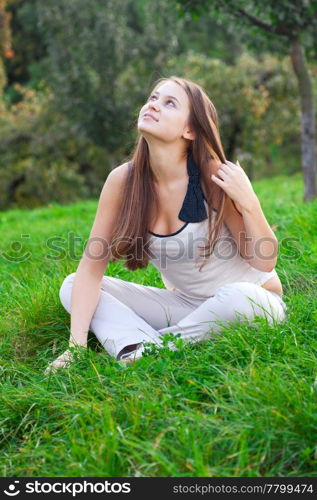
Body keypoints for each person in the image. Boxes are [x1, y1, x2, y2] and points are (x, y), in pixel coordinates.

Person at [44, 76, 287, 374]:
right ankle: (141, 348)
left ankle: (150, 350)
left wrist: (249, 202)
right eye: (153, 98)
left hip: (253, 302)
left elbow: (264, 262)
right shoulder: (123, 181)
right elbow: (92, 267)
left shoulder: (212, 174)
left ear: (191, 130)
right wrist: (75, 347)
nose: (154, 105)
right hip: (185, 305)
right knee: (72, 285)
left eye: (169, 102)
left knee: (241, 297)